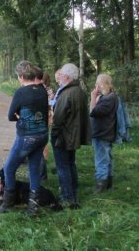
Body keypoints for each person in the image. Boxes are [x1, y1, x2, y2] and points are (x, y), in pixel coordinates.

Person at [0, 61, 49, 216]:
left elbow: (11, 116)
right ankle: (33, 208)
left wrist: (20, 116)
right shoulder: (42, 90)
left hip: (27, 137)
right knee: (33, 169)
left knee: (9, 168)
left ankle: (7, 204)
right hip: (42, 135)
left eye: (18, 76)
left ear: (22, 76)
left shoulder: (21, 92)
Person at [51, 63, 90, 209]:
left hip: (64, 135)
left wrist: (54, 134)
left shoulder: (66, 93)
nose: (58, 77)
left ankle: (67, 197)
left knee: (63, 166)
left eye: (60, 75)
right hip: (73, 135)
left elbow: (58, 118)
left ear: (67, 77)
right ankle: (73, 192)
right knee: (70, 164)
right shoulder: (79, 91)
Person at [90, 74, 118, 193]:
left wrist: (92, 97)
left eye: (100, 84)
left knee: (101, 160)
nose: (97, 87)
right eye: (96, 84)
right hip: (105, 132)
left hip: (102, 134)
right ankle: (108, 185)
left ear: (108, 84)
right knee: (107, 159)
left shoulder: (109, 98)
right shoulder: (106, 97)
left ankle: (100, 187)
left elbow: (93, 112)